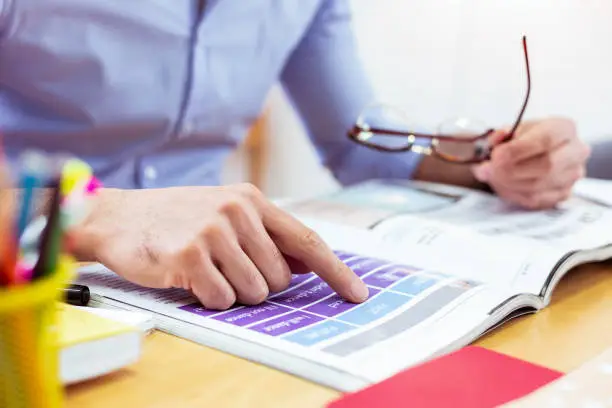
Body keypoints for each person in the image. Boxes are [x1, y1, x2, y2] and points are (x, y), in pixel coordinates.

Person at [0, 1, 590, 310]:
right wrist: (96, 215)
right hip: (26, 292)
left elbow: (359, 144)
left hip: (202, 295)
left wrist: (497, 159)